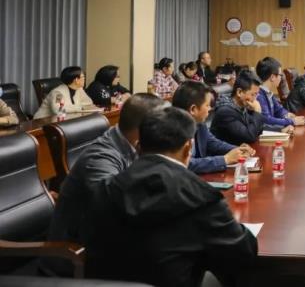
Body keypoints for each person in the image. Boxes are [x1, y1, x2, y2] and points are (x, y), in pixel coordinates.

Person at [84, 107, 258, 287]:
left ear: (138, 147)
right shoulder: (200, 196)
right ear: (188, 147)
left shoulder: (105, 188)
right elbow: (243, 252)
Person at [47, 94, 166, 257]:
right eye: (163, 127)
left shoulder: (132, 145)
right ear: (144, 129)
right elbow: (114, 208)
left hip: (108, 241)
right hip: (75, 256)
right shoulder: (101, 158)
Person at [172, 81, 254, 174]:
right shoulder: (173, 131)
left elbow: (214, 143)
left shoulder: (199, 124)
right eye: (207, 105)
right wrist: (225, 159)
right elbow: (186, 164)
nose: (210, 109)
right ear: (193, 109)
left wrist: (238, 150)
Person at [210, 71, 264, 144]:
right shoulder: (225, 112)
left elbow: (258, 130)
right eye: (253, 94)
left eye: (256, 95)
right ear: (239, 92)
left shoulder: (242, 106)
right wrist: (257, 112)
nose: (255, 99)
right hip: (225, 151)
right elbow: (249, 137)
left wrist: (254, 113)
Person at [255, 57, 304, 132]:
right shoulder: (259, 95)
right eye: (280, 75)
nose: (281, 78)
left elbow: (278, 110)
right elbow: (267, 120)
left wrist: (287, 115)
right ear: (272, 77)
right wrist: (292, 121)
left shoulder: (268, 93)